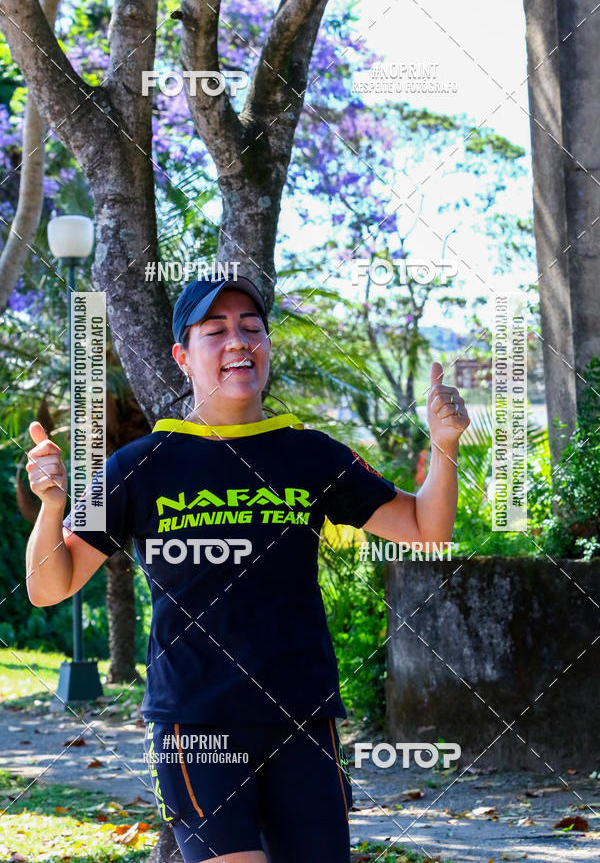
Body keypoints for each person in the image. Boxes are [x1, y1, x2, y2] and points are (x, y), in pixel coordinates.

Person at [25, 273, 470, 863]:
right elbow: (49, 586)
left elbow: (425, 529)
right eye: (216, 331)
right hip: (198, 726)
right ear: (184, 357)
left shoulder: (308, 453)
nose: (238, 341)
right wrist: (53, 508)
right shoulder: (142, 465)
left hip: (302, 718)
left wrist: (444, 444)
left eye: (252, 329)